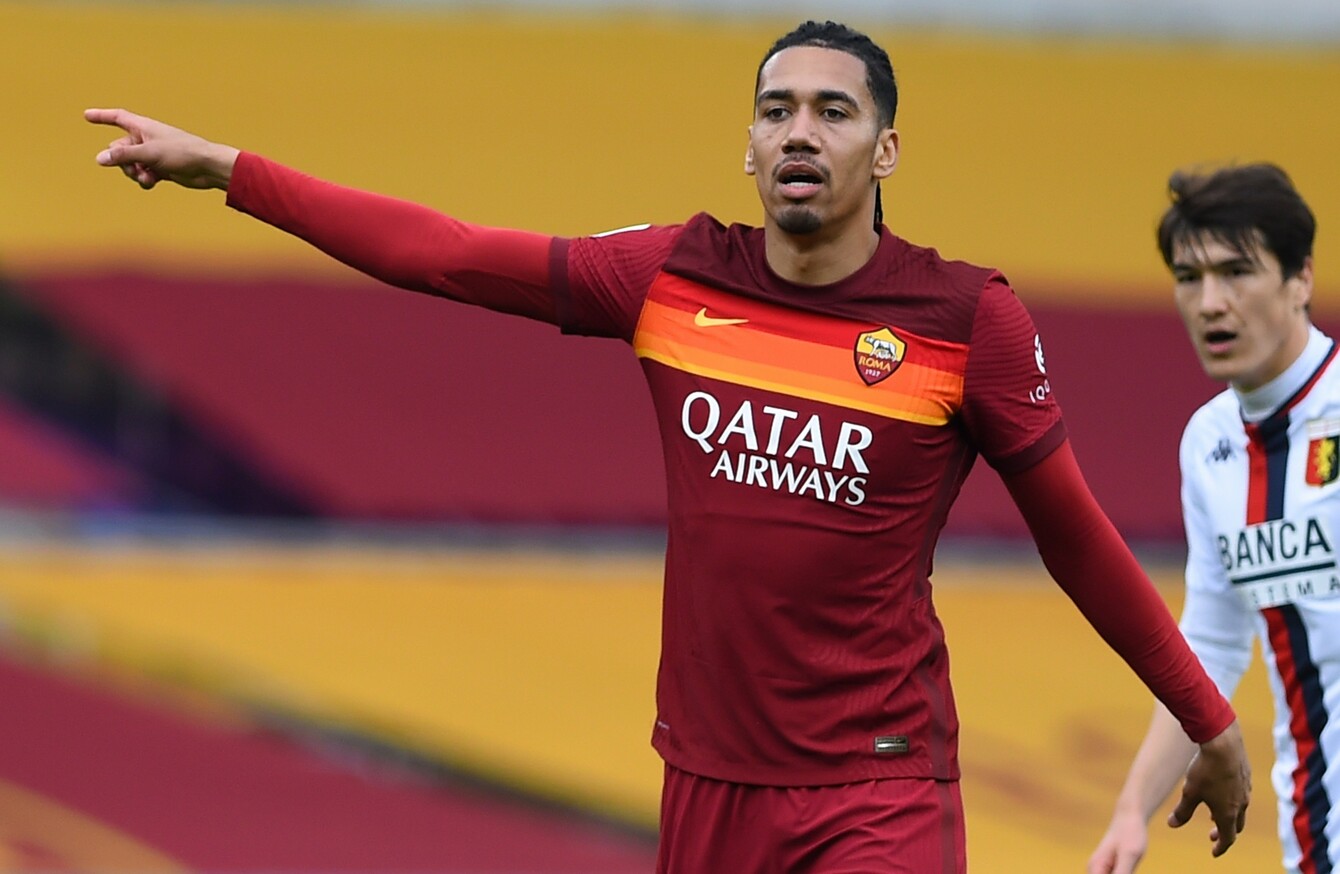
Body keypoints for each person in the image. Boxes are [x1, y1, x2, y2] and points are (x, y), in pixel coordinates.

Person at [86, 20, 1250, 873]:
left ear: (885, 150)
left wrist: (1204, 717)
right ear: (747, 146)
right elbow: (443, 252)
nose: (799, 131)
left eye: (832, 111)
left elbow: (1075, 539)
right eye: (775, 110)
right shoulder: (671, 278)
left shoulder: (965, 320)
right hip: (706, 788)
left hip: (877, 787)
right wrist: (231, 171)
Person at [1089, 164, 1333, 874]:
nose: (1211, 302)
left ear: (1300, 279)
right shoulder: (1209, 442)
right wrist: (1132, 809)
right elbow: (1213, 645)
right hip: (1318, 834)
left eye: (1237, 272)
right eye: (1189, 278)